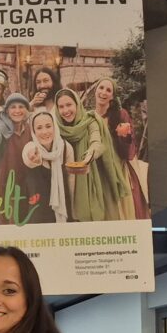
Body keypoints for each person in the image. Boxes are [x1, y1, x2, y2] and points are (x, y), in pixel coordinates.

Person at [54, 87, 118, 223]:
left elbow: (96, 142)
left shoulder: (90, 121)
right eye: (61, 107)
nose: (65, 110)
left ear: (77, 104)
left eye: (69, 105)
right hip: (64, 181)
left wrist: (88, 157)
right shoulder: (55, 127)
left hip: (87, 177)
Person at [89, 77, 147, 219]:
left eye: (108, 90)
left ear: (112, 96)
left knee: (123, 213)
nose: (103, 92)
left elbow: (129, 152)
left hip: (119, 171)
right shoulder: (89, 118)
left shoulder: (121, 115)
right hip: (98, 173)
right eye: (101, 88)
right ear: (95, 91)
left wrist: (124, 136)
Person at [18, 110, 68, 224]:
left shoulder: (65, 148)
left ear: (55, 127)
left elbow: (72, 182)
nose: (45, 132)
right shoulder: (31, 147)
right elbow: (28, 156)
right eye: (39, 128)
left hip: (62, 210)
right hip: (38, 214)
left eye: (48, 126)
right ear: (34, 131)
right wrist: (33, 159)